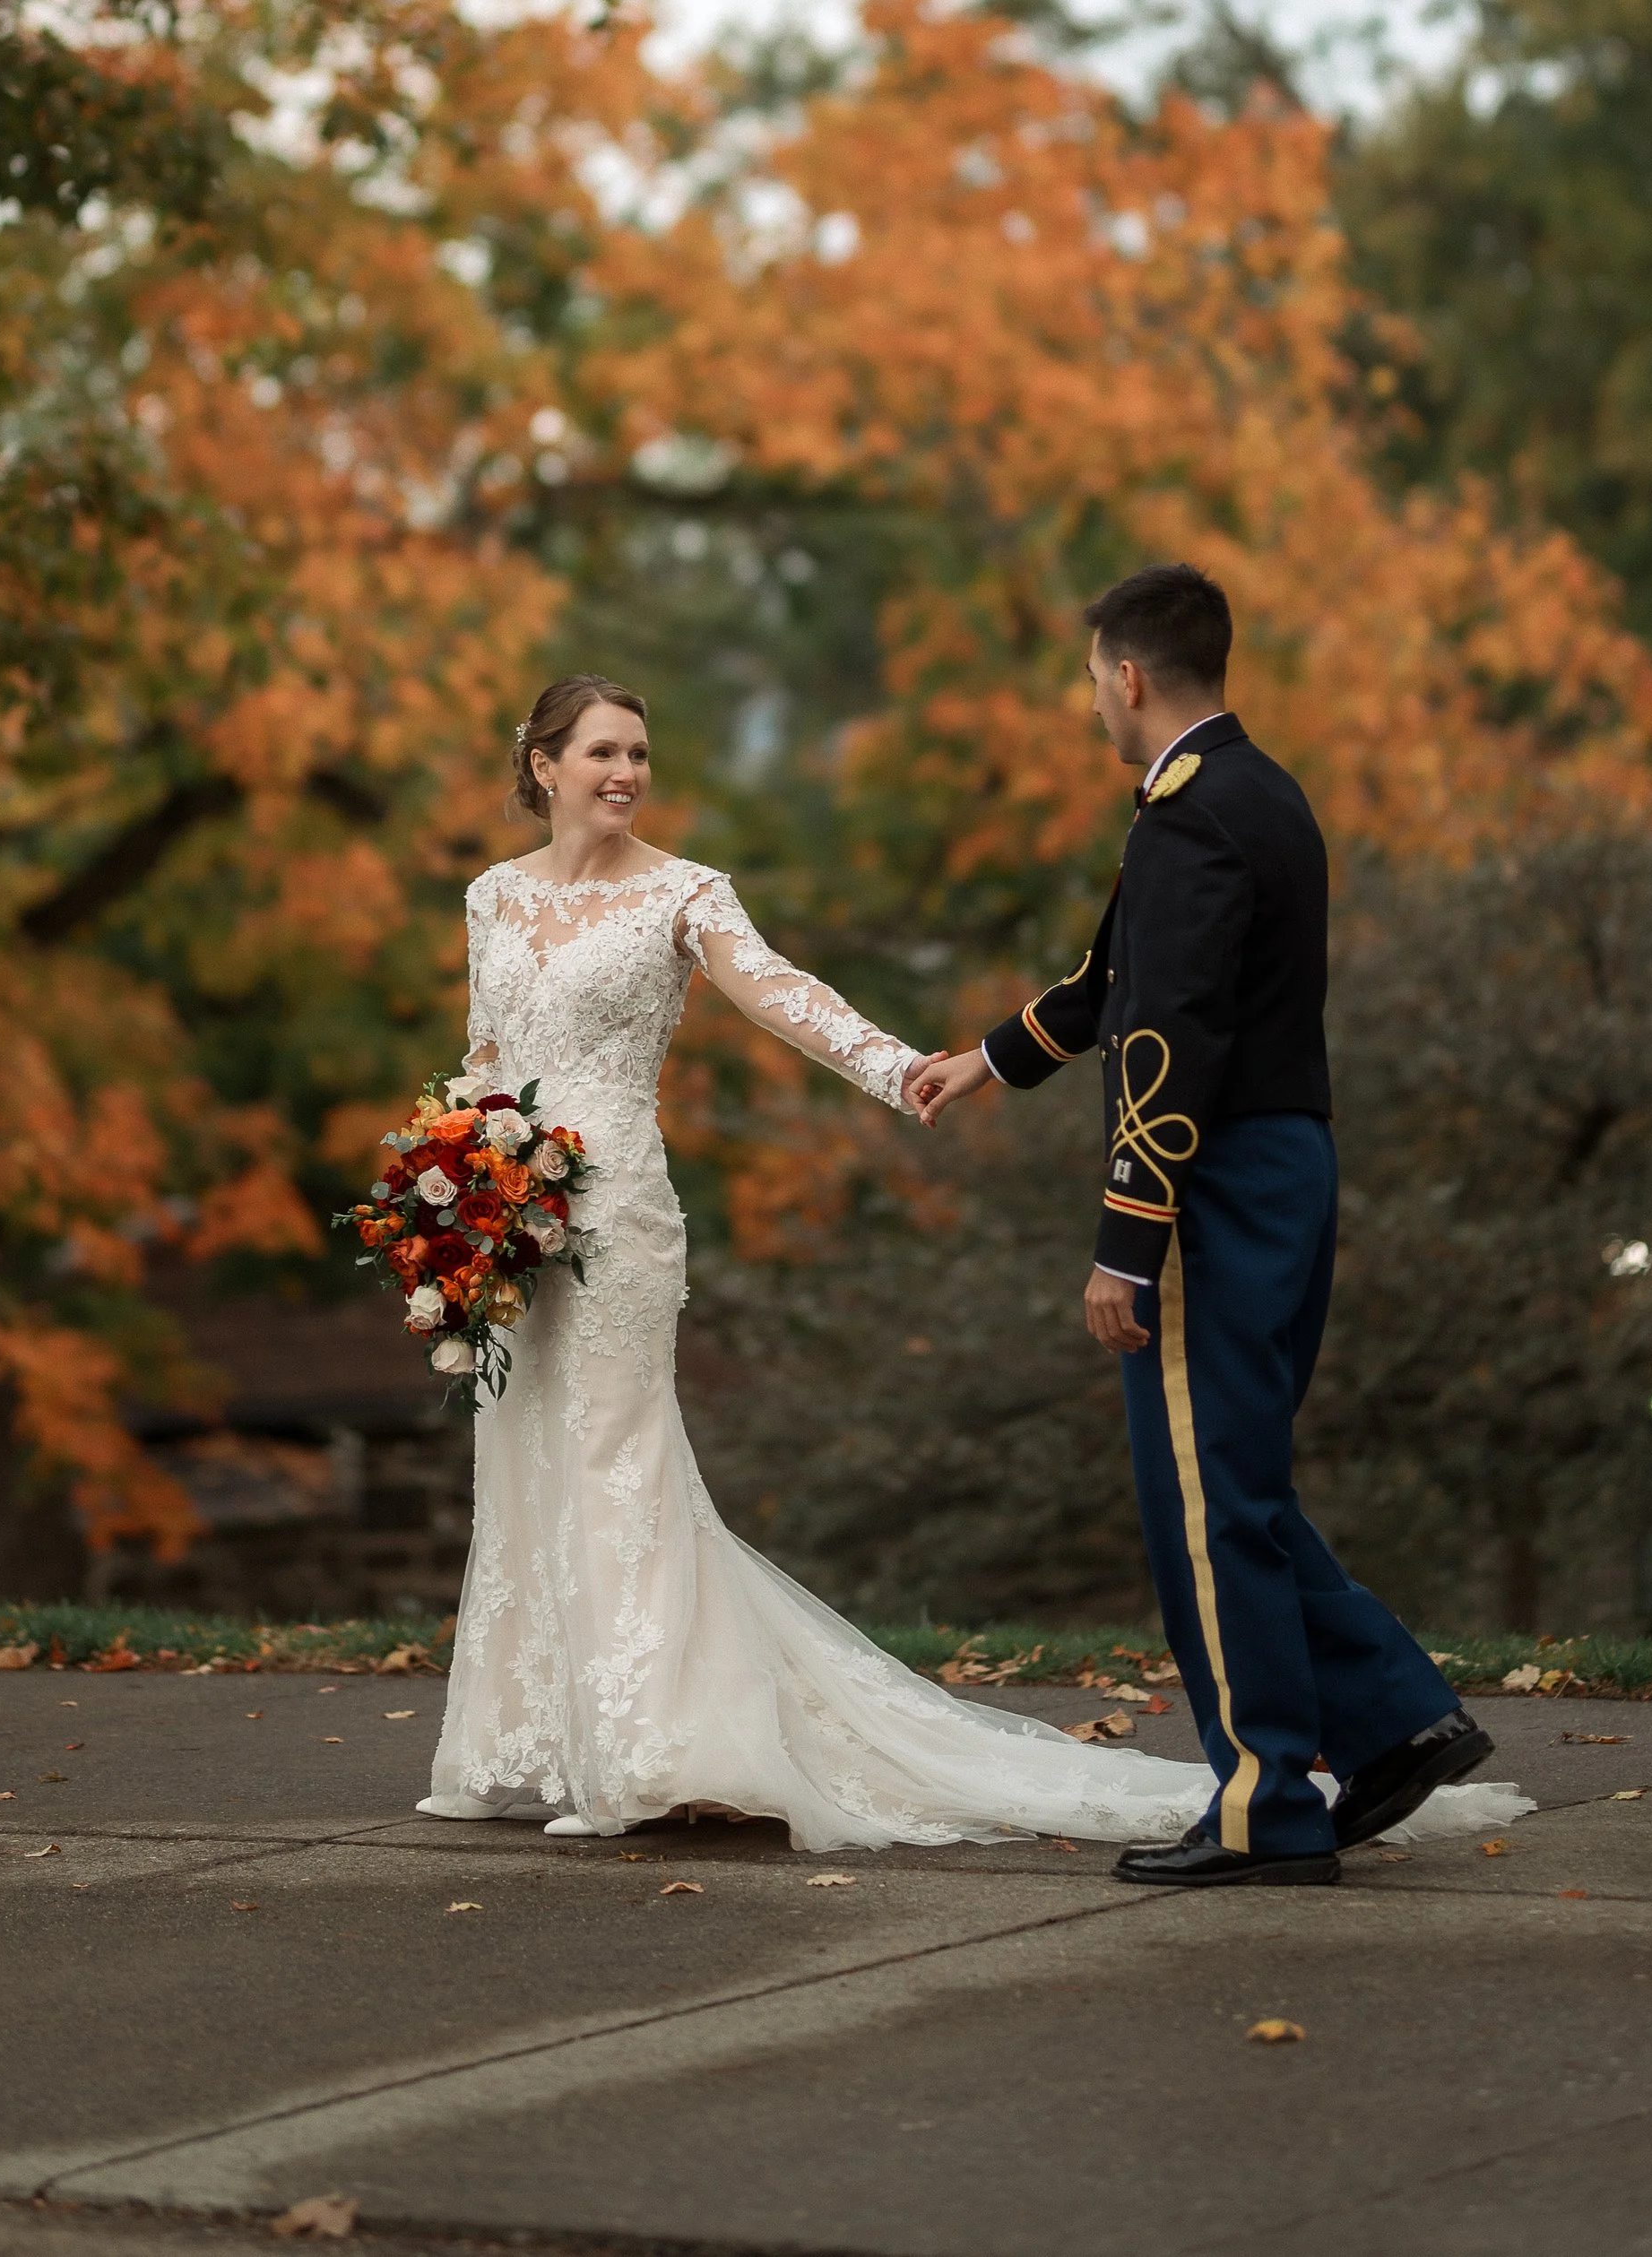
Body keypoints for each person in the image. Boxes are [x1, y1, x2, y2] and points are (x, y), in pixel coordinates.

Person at [419, 672, 1218, 1848]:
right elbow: (487, 1050)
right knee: (525, 1451)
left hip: (620, 1216)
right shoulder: (492, 896)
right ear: (542, 763)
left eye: (639, 752)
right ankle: (526, 1736)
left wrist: (899, 1068)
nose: (626, 773)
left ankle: (646, 1747)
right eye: (601, 752)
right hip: (505, 1219)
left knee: (615, 1457)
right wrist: (447, 1204)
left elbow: (780, 992)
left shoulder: (684, 893)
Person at [912, 564, 1509, 1890]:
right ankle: (1395, 1717)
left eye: (1090, 676)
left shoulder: (1187, 819)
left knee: (1203, 1499)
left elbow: (1168, 1039)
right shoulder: (1264, 793)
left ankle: (1263, 1803)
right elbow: (1111, 981)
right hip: (1288, 1162)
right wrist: (988, 1058)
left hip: (1210, 1182)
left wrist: (1128, 1235)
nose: (1091, 700)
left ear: (1127, 673)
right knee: (1237, 1479)